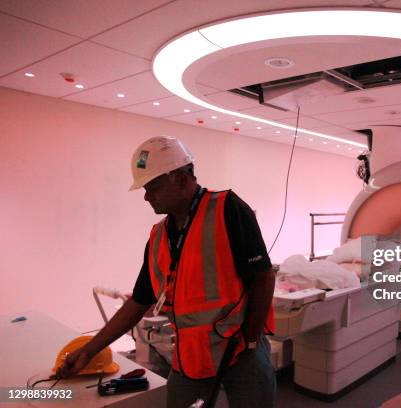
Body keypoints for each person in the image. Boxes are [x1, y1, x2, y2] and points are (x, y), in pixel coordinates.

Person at [57, 136, 277, 408]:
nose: (147, 196)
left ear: (182, 179)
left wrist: (252, 340)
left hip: (240, 351)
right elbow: (139, 301)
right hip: (190, 357)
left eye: (154, 187)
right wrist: (90, 349)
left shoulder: (227, 208)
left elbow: (264, 276)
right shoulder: (159, 236)